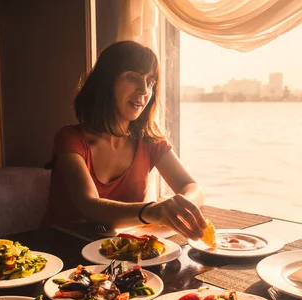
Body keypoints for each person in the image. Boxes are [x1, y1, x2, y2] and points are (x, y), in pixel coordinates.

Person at [41, 41, 207, 240]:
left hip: (115, 255)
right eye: (132, 78)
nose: (144, 90)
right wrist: (153, 211)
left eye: (150, 82)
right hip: (58, 250)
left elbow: (194, 188)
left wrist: (179, 205)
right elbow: (89, 205)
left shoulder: (148, 140)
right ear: (106, 82)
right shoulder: (70, 139)